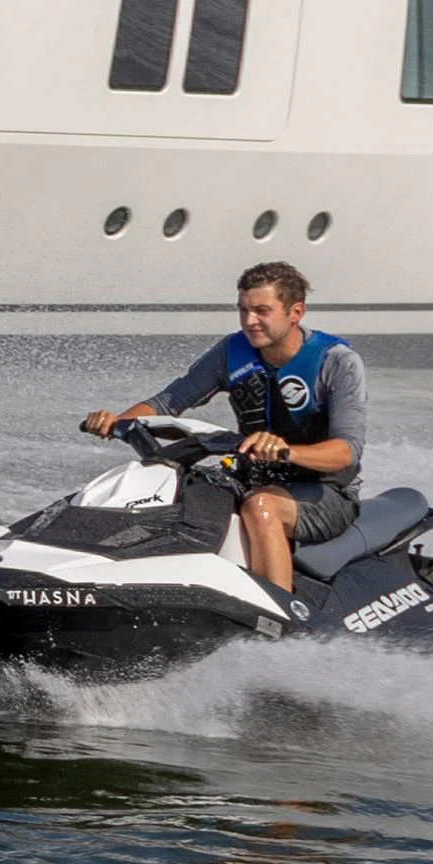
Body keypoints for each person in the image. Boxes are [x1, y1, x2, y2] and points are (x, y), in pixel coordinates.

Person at [79, 260, 364, 622]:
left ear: (296, 312)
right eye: (243, 310)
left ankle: (279, 625)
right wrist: (117, 421)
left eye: (262, 311)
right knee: (185, 491)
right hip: (254, 477)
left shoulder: (336, 362)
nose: (249, 321)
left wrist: (286, 451)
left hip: (326, 493)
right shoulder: (232, 352)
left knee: (261, 507)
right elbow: (168, 403)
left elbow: (346, 452)